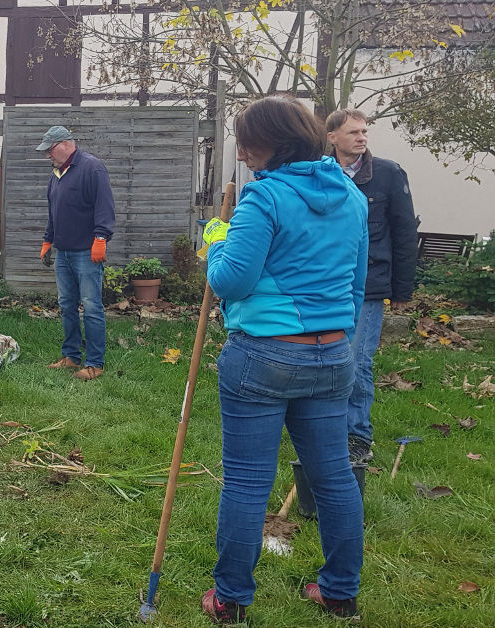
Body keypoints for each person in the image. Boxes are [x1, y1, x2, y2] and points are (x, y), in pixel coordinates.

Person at [201, 96, 368, 624]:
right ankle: (340, 592)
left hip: (264, 358)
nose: (242, 151)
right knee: (334, 477)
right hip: (333, 353)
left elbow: (230, 280)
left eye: (249, 141)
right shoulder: (351, 196)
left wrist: (217, 241)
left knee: (249, 481)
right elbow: (357, 287)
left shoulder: (263, 200)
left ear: (279, 141)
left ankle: (230, 598)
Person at [326, 109, 419, 465]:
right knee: (325, 358)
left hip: (369, 284)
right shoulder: (320, 171)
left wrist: (402, 291)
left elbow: (405, 233)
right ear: (332, 136)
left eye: (365, 131)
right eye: (353, 132)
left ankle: (357, 437)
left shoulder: (388, 174)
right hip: (327, 282)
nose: (362, 137)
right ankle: (325, 429)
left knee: (357, 360)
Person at [36, 125, 115, 380]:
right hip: (64, 253)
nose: (48, 155)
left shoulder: (93, 168)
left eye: (50, 150)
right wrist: (48, 240)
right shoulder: (56, 175)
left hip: (86, 253)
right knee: (66, 305)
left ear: (65, 144)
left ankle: (95, 362)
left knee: (91, 306)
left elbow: (105, 206)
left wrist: (101, 238)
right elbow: (54, 213)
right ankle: (71, 356)